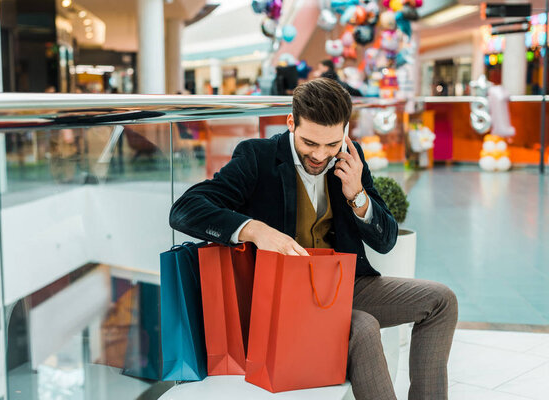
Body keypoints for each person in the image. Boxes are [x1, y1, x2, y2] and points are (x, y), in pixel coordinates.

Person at [169, 78, 457, 400]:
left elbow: (386, 240)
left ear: (345, 131)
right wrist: (255, 230)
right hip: (282, 299)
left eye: (332, 144)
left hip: (343, 286)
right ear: (291, 123)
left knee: (441, 301)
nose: (321, 155)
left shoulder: (350, 157)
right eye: (310, 143)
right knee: (361, 328)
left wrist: (358, 195)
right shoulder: (258, 157)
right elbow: (185, 210)